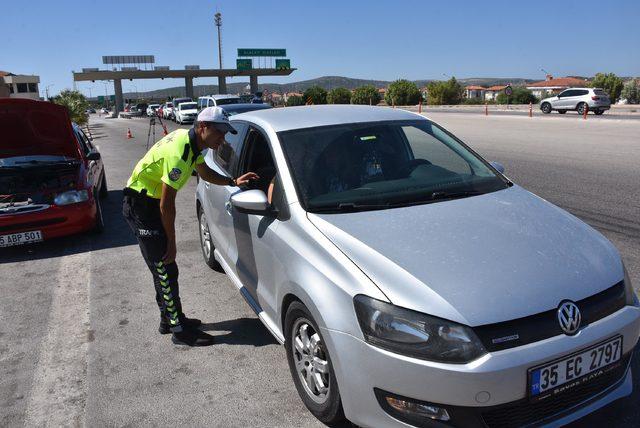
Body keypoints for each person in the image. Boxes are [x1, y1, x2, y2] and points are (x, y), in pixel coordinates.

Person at [122, 107, 258, 346]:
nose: (223, 139)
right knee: (165, 267)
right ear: (202, 127)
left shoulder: (193, 143)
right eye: (219, 133)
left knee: (163, 268)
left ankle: (169, 318)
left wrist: (232, 181)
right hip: (141, 204)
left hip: (149, 202)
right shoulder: (181, 152)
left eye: (225, 134)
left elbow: (204, 172)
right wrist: (172, 243)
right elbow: (167, 205)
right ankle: (179, 332)